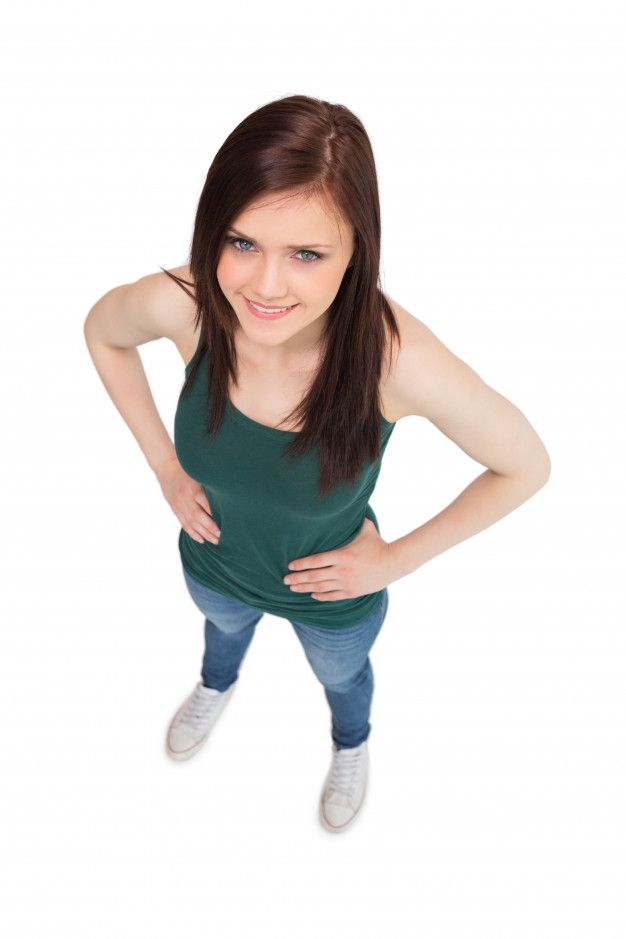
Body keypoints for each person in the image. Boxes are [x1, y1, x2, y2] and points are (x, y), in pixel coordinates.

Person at [83, 94, 551, 834]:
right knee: (221, 633)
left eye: (307, 254)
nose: (265, 288)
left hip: (335, 596)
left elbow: (526, 464)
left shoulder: (397, 358)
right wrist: (165, 467)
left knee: (343, 679)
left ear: (356, 250)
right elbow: (102, 332)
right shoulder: (189, 303)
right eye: (241, 243)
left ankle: (351, 742)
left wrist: (394, 560)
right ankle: (217, 683)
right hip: (215, 560)